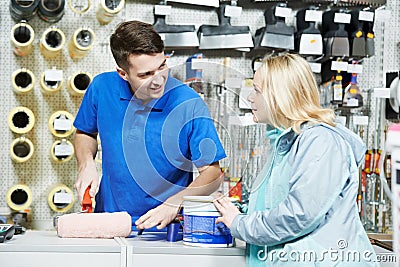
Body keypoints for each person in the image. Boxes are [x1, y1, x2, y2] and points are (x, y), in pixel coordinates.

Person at [213, 53, 378, 266]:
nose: (250, 98)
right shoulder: (284, 143)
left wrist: (241, 224)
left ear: (280, 96)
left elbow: (299, 214)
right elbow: (277, 203)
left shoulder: (320, 141)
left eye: (257, 90)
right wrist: (238, 211)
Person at [73, 20, 226, 231]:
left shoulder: (188, 104)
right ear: (123, 74)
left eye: (162, 66)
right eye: (145, 75)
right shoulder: (101, 88)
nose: (158, 80)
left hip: (165, 229)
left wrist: (175, 202)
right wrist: (86, 164)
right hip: (108, 224)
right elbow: (84, 132)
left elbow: (212, 174)